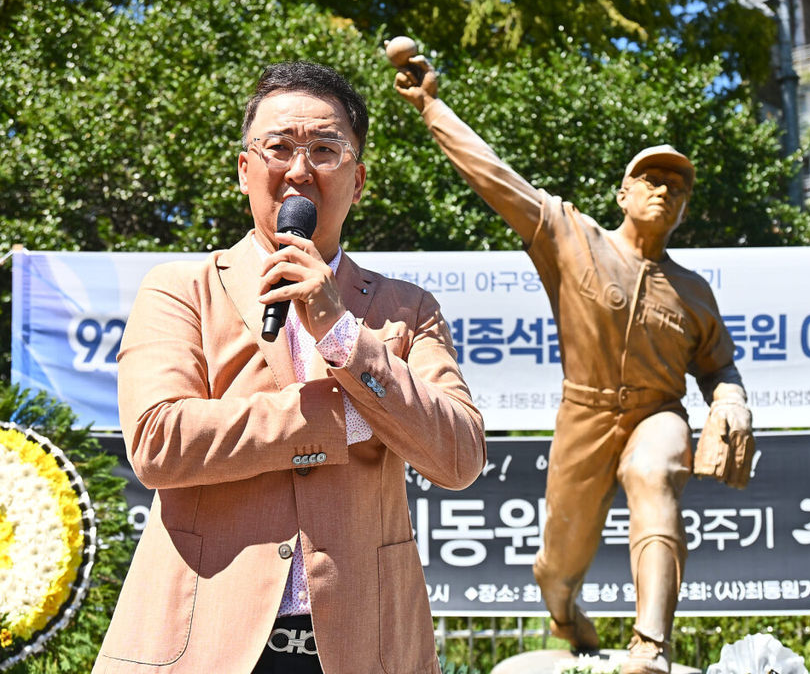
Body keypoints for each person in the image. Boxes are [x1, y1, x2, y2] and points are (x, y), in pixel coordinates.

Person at [94, 61, 486, 674]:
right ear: (245, 170)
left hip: (363, 646)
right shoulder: (182, 290)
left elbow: (460, 457)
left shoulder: (405, 311)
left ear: (357, 181)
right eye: (278, 147)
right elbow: (157, 443)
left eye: (326, 150)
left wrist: (342, 333)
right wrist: (338, 422)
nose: (299, 169)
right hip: (204, 643)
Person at [395, 57, 754, 674]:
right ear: (623, 193)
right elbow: (495, 177)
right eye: (651, 180)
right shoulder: (572, 236)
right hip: (584, 415)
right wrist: (431, 106)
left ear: (685, 210)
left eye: (677, 186)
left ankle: (650, 647)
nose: (665, 190)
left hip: (657, 411)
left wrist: (730, 401)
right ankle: (564, 613)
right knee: (559, 566)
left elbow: (720, 368)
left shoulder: (694, 292)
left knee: (657, 471)